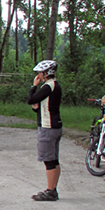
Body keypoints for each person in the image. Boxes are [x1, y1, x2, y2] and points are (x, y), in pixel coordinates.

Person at [26, 60, 62, 200]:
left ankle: (51, 191)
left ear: (47, 73)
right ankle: (53, 189)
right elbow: (45, 105)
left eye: (40, 73)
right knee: (54, 159)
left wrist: (33, 87)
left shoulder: (48, 86)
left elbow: (31, 99)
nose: (39, 76)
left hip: (48, 127)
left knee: (49, 160)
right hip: (55, 125)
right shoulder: (55, 86)